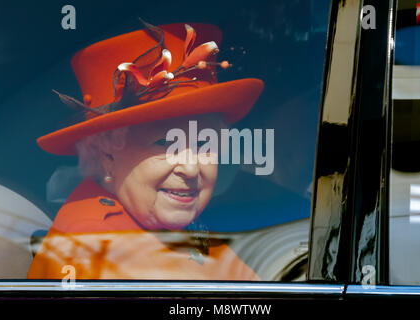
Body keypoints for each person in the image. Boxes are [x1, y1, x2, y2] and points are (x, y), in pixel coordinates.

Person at [27, 22, 263, 280]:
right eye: (165, 144)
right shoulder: (99, 245)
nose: (191, 167)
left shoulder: (159, 224)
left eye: (204, 144)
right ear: (107, 154)